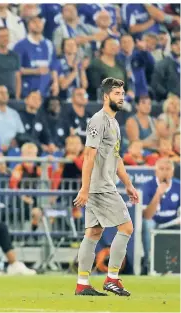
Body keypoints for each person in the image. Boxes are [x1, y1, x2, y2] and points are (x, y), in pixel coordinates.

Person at [73, 77, 139, 296]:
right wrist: (84, 188)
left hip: (103, 184)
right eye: (117, 94)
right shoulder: (98, 121)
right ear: (106, 96)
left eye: (122, 94)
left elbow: (116, 157)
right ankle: (112, 278)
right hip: (100, 186)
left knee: (93, 232)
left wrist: (128, 184)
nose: (121, 97)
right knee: (127, 227)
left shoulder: (114, 122)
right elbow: (88, 155)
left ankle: (82, 283)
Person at [141, 158, 180, 271]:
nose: (165, 172)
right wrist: (158, 194)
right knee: (147, 224)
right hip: (154, 220)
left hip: (171, 221)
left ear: (172, 172)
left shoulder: (179, 186)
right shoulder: (148, 186)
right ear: (156, 171)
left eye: (168, 169)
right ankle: (150, 263)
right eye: (161, 169)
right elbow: (147, 216)